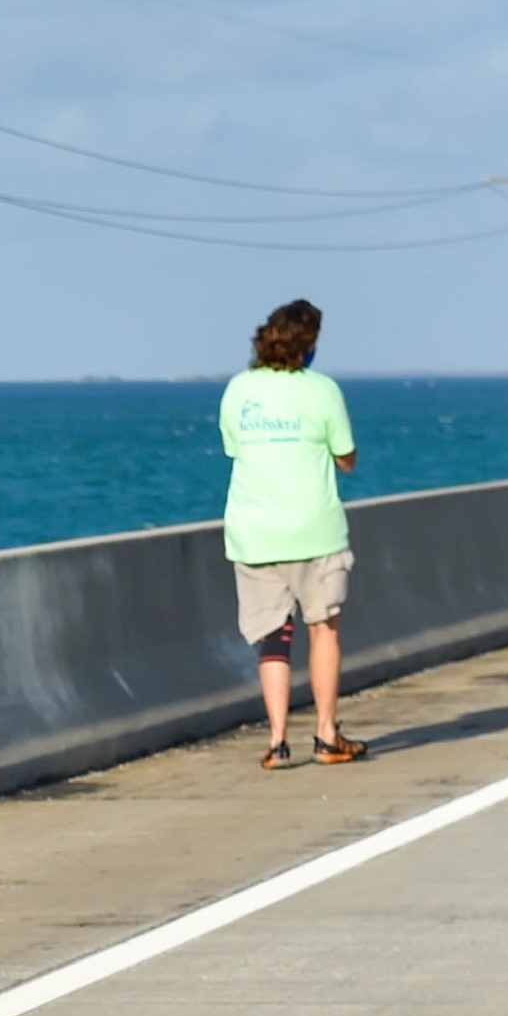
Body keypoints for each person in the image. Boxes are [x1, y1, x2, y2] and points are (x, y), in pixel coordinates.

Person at [221, 299, 366, 769]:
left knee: (273, 638)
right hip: (313, 531)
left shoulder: (239, 389)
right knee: (322, 630)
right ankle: (326, 735)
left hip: (255, 532)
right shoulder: (322, 391)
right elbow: (346, 458)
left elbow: (233, 449)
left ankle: (278, 741)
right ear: (308, 347)